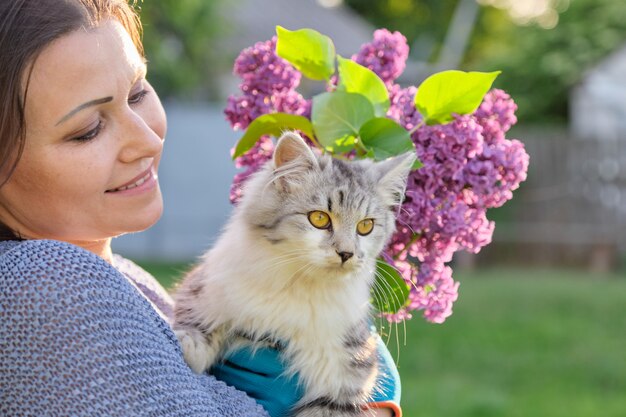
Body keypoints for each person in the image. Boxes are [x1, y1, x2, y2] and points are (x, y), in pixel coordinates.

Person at [0, 1, 401, 416]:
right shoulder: (44, 282)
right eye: (88, 130)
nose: (148, 140)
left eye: (138, 92)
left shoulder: (126, 276)